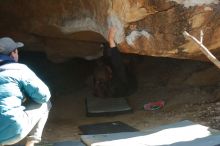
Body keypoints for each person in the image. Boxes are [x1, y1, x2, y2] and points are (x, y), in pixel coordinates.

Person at [0, 37, 51, 146]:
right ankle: (30, 143)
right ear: (13, 54)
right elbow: (44, 96)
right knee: (45, 103)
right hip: (13, 131)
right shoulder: (19, 70)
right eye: (17, 51)